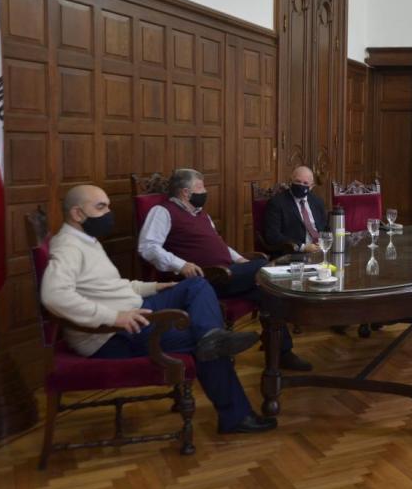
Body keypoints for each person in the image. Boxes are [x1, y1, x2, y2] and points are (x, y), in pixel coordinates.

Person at [42, 185, 277, 434]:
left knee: (196, 285)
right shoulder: (68, 246)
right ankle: (235, 417)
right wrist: (114, 317)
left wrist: (155, 286)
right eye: (101, 207)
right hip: (112, 334)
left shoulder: (87, 240)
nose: (109, 212)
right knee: (205, 341)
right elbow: (53, 295)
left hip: (135, 308)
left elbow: (116, 287)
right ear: (78, 214)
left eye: (108, 205)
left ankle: (212, 337)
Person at [138, 168, 312, 371]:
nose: (204, 192)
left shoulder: (201, 215)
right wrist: (181, 265)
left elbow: (219, 244)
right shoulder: (162, 211)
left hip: (229, 273)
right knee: (266, 268)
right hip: (204, 279)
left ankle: (282, 352)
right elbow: (147, 247)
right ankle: (293, 281)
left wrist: (239, 259)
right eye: (201, 187)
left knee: (268, 293)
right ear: (185, 192)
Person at [263, 165, 328, 256]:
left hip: (321, 250)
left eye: (305, 183)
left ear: (311, 186)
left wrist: (323, 243)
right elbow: (272, 235)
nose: (301, 186)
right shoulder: (277, 203)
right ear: (291, 181)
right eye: (298, 181)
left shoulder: (317, 202)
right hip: (294, 254)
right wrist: (302, 247)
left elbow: (325, 227)